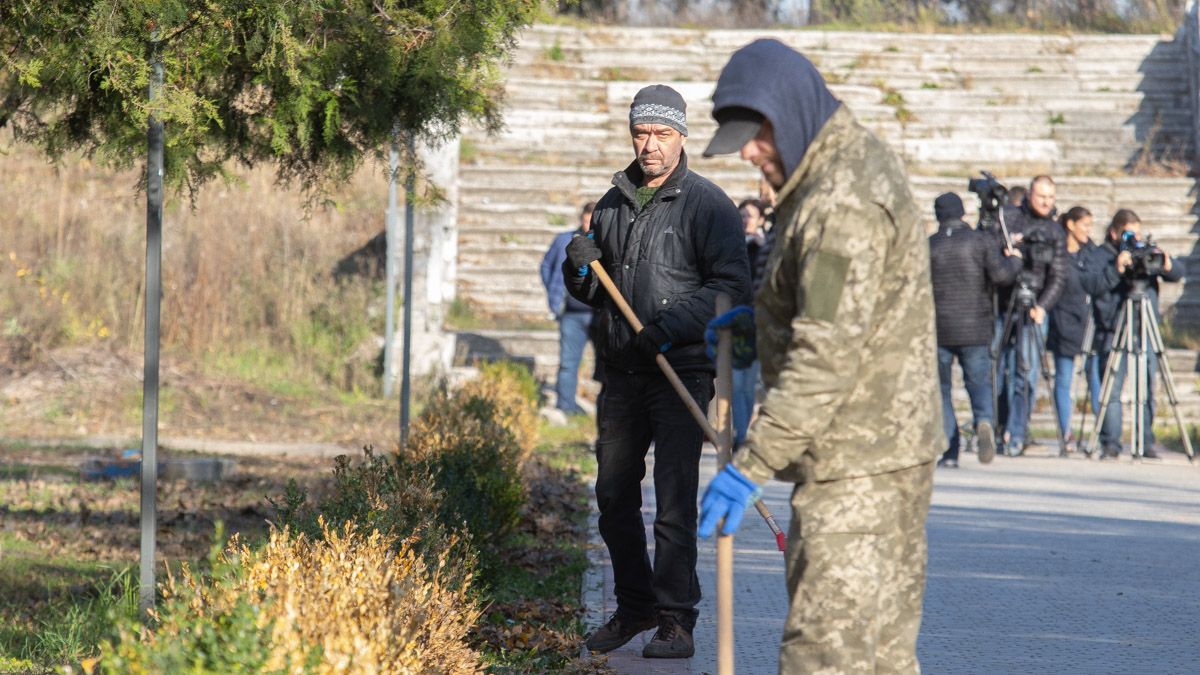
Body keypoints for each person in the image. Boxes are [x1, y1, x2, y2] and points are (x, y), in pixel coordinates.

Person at [697, 40, 944, 673]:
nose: (749, 152)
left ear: (791, 109)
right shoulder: (827, 173)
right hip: (873, 456)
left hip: (858, 468)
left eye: (757, 134)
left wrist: (751, 463)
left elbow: (826, 355)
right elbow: (830, 306)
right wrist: (764, 323)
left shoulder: (843, 200)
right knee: (877, 657)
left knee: (826, 656)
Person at [563, 84, 749, 658]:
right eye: (641, 133)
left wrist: (667, 327)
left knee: (673, 500)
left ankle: (676, 618)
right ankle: (636, 606)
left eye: (662, 134)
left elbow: (732, 289)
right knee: (614, 494)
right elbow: (601, 293)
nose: (650, 145)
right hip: (622, 373)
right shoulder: (614, 200)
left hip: (681, 371)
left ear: (681, 137)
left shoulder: (707, 205)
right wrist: (581, 272)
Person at [1081, 209, 1184, 459]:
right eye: (1129, 233)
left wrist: (1168, 263)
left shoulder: (1145, 251)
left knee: (1147, 385)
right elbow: (1092, 285)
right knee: (1112, 389)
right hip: (1114, 328)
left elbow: (1176, 272)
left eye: (1137, 232)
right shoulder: (1100, 256)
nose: (1134, 238)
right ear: (1114, 232)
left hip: (1144, 328)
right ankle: (1111, 443)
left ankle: (1146, 441)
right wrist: (1116, 269)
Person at [929, 192, 1021, 468]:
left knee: (942, 390)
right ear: (961, 214)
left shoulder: (929, 245)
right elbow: (1001, 276)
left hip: (940, 328)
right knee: (978, 382)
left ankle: (949, 450)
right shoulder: (979, 241)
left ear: (938, 215)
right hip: (976, 326)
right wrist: (1014, 259)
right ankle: (983, 420)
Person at [993, 175, 1068, 456]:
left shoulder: (1055, 231)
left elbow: (1059, 275)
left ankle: (1017, 432)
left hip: (1035, 304)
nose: (1046, 202)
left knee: (1027, 372)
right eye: (1041, 197)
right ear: (1029, 195)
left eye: (1051, 198)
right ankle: (997, 427)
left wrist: (1043, 306)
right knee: (998, 369)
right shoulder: (1011, 218)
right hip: (1005, 301)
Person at [1046, 206, 1097, 452]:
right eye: (1085, 225)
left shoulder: (1091, 252)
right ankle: (1065, 433)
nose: (1088, 230)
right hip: (1063, 320)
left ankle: (1102, 434)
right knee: (1064, 379)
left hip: (1089, 322)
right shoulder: (1058, 252)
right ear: (1071, 225)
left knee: (1095, 378)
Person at [540, 201, 597, 415]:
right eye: (585, 219)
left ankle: (609, 412)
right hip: (571, 314)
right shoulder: (564, 240)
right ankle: (566, 407)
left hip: (600, 314)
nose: (587, 224)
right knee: (568, 363)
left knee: (608, 364)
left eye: (591, 220)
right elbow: (546, 266)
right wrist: (554, 292)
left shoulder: (607, 241)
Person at [733, 198, 767, 448]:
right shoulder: (733, 247)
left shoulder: (764, 248)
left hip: (758, 323)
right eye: (742, 215)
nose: (746, 220)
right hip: (735, 320)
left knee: (752, 382)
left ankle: (750, 434)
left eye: (751, 216)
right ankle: (741, 433)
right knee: (737, 383)